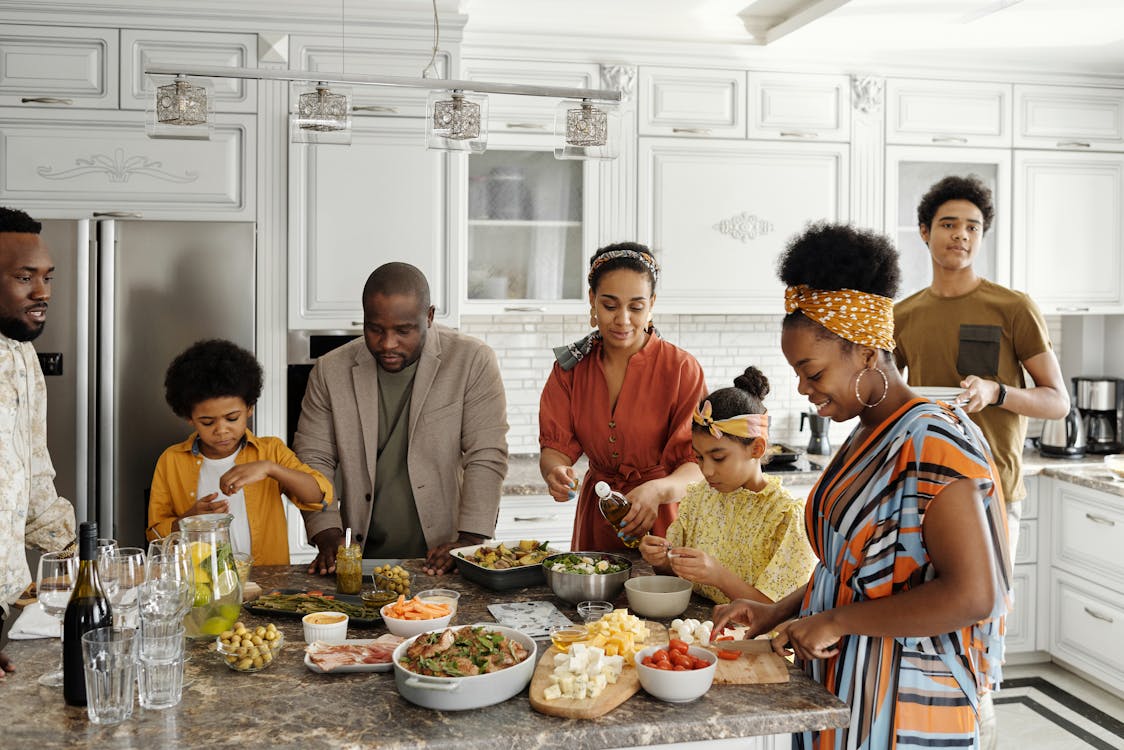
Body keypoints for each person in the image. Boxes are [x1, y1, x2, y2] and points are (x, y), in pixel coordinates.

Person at [713, 222, 1012, 749]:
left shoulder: (933, 441)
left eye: (812, 371)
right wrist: (776, 611)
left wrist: (837, 622)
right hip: (846, 685)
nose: (804, 390)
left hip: (905, 701)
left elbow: (974, 595)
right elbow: (857, 570)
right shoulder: (866, 433)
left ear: (868, 353)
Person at [294, 262, 509, 576]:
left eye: (403, 330)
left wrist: (470, 540)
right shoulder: (330, 370)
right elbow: (313, 458)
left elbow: (486, 454)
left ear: (430, 317)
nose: (387, 344)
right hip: (362, 560)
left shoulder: (471, 361)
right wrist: (326, 532)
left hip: (445, 557)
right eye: (375, 328)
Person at [894, 175, 1069, 560]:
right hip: (924, 487)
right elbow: (885, 396)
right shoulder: (902, 315)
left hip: (991, 487)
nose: (961, 235)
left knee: (988, 614)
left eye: (972, 227)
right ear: (924, 232)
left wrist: (996, 392)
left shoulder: (1013, 307)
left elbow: (1058, 402)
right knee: (924, 615)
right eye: (948, 224)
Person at [539, 242, 706, 551]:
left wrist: (657, 491)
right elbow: (555, 448)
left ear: (652, 303)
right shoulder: (569, 370)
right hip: (597, 517)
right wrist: (555, 472)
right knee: (593, 598)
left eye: (636, 307)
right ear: (592, 300)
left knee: (662, 598)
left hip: (665, 520)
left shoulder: (682, 369)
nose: (623, 319)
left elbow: (698, 466)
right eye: (610, 305)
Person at [146, 339, 333, 566]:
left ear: (250, 408)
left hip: (266, 583)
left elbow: (319, 497)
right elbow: (155, 535)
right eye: (207, 422)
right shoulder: (171, 461)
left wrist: (270, 469)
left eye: (232, 418)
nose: (221, 430)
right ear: (189, 418)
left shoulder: (270, 451)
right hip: (199, 584)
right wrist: (188, 521)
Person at [639, 366, 816, 604]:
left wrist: (719, 576)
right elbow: (678, 576)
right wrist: (662, 561)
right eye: (699, 457)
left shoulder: (785, 516)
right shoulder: (699, 497)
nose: (706, 471)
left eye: (719, 457)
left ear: (757, 449)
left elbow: (778, 611)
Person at [0, 207, 76, 678]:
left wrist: (84, 561)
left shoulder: (23, 358)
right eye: (24, 277)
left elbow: (32, 476)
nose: (42, 292)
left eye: (46, 277)